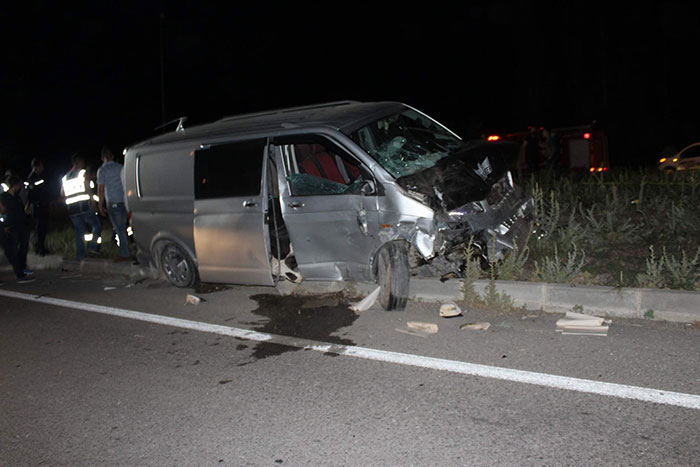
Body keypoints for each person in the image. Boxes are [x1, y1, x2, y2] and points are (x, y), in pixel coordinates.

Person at [61, 153, 102, 260]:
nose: (84, 165)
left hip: (72, 209)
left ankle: (80, 256)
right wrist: (94, 205)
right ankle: (93, 247)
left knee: (79, 231)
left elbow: (62, 193)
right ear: (79, 162)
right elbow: (88, 190)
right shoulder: (83, 173)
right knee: (96, 225)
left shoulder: (65, 177)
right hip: (84, 206)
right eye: (83, 162)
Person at [97, 146, 130, 261]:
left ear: (102, 158)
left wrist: (100, 205)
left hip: (113, 202)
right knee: (123, 227)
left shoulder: (102, 170)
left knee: (119, 228)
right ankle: (127, 248)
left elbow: (101, 189)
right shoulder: (121, 167)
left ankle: (124, 253)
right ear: (112, 156)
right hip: (124, 201)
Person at [0, 175, 35, 282]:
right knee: (11, 251)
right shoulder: (4, 197)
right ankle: (20, 274)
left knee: (16, 250)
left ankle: (20, 271)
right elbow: (3, 212)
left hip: (19, 227)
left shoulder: (16, 197)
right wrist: (5, 225)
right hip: (10, 227)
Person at [26, 157, 51, 256]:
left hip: (37, 205)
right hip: (38, 206)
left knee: (41, 227)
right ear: (37, 166)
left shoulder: (31, 177)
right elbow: (36, 193)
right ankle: (40, 248)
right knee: (40, 227)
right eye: (41, 166)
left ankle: (40, 247)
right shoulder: (34, 178)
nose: (43, 168)